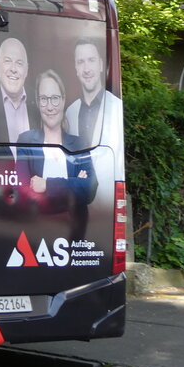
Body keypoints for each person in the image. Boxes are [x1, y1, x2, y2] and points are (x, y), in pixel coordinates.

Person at [16, 70, 97, 241]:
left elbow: (90, 189)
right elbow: (24, 192)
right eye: (44, 99)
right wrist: (74, 184)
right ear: (38, 102)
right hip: (37, 233)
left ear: (63, 99)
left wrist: (46, 184)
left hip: (74, 235)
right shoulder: (25, 141)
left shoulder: (79, 144)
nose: (50, 106)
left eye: (55, 98)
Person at [64, 36, 125, 181]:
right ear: (76, 69)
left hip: (108, 193)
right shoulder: (70, 112)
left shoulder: (116, 107)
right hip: (79, 193)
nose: (86, 69)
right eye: (81, 62)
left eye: (91, 60)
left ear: (101, 65)